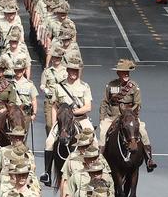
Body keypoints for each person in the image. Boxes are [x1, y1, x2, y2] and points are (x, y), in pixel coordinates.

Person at [42, 54, 93, 186]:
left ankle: (95, 170)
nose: (73, 73)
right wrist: (55, 123)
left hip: (80, 119)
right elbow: (54, 105)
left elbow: (88, 107)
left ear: (79, 72)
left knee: (95, 141)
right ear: (67, 71)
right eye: (71, 70)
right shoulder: (59, 87)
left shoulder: (84, 86)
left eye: (76, 71)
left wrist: (74, 112)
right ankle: (47, 172)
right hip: (63, 121)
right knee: (49, 142)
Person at [98, 59, 156, 170]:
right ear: (118, 73)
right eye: (123, 72)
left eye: (127, 72)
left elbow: (138, 103)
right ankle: (100, 160)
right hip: (113, 116)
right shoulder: (110, 85)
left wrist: (129, 113)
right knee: (102, 133)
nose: (126, 74)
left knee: (143, 132)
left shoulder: (134, 86)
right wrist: (102, 118)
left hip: (129, 116)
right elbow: (104, 102)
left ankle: (149, 159)